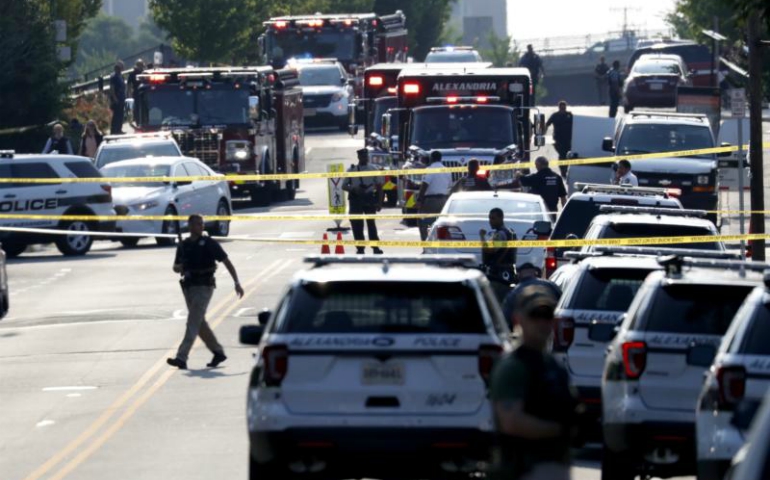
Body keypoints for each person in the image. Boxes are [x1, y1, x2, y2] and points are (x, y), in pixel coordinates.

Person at [488, 284, 580, 480]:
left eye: (546, 315)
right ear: (518, 319)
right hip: (522, 469)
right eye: (534, 315)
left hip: (554, 465)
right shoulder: (513, 367)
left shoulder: (553, 366)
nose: (541, 323)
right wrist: (560, 429)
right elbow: (511, 422)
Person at [167, 214, 245, 370]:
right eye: (197, 224)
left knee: (192, 322)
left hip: (204, 286)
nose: (201, 226)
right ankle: (218, 352)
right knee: (199, 323)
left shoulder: (209, 243)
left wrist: (236, 282)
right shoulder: (184, 245)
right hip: (189, 287)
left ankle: (181, 357)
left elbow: (226, 262)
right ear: (190, 227)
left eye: (201, 224)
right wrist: (180, 267)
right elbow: (175, 267)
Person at [342, 148, 384, 254]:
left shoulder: (374, 169)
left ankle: (375, 247)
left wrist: (379, 202)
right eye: (362, 156)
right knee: (357, 224)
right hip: (356, 199)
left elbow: (379, 187)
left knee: (371, 224)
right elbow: (344, 185)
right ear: (358, 157)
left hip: (369, 198)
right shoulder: (352, 170)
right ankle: (360, 248)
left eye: (366, 156)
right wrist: (354, 189)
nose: (364, 158)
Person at [501, 263, 562, 328]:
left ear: (519, 275)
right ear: (535, 273)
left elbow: (506, 319)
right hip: (551, 329)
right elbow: (563, 303)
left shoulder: (513, 293)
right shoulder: (551, 286)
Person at [480, 208, 518, 301]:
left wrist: (482, 237)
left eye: (493, 218)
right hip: (507, 273)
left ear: (501, 218)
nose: (490, 221)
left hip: (498, 276)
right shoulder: (509, 232)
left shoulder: (500, 234)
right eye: (489, 218)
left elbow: (489, 250)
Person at [416, 150, 452, 241]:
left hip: (430, 201)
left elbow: (425, 184)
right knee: (441, 224)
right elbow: (449, 186)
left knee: (425, 224)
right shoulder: (447, 171)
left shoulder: (429, 169)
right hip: (444, 200)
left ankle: (427, 245)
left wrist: (419, 199)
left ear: (431, 159)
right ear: (440, 159)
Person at [545, 101, 573, 176]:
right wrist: (543, 134)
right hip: (558, 139)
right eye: (561, 107)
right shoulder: (555, 115)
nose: (563, 109)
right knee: (562, 154)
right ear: (559, 107)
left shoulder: (569, 115)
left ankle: (566, 169)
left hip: (569, 139)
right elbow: (547, 124)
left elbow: (576, 125)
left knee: (567, 155)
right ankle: (563, 170)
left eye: (564, 107)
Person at [109, 61, 126, 134]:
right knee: (116, 115)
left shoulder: (121, 76)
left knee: (121, 114)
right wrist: (115, 98)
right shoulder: (114, 77)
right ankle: (114, 130)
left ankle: (119, 129)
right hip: (116, 98)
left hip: (122, 97)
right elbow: (112, 88)